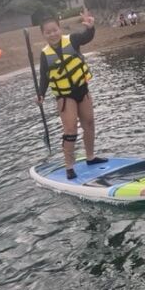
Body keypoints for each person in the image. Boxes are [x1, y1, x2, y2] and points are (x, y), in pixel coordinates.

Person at [36, 10, 106, 180]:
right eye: (48, 32)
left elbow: (87, 37)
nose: (52, 34)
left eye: (54, 30)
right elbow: (44, 77)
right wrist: (41, 94)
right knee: (70, 130)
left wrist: (91, 27)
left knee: (89, 123)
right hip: (65, 96)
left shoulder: (72, 40)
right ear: (43, 35)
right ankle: (69, 166)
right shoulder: (45, 54)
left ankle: (90, 157)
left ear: (59, 29)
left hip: (82, 90)